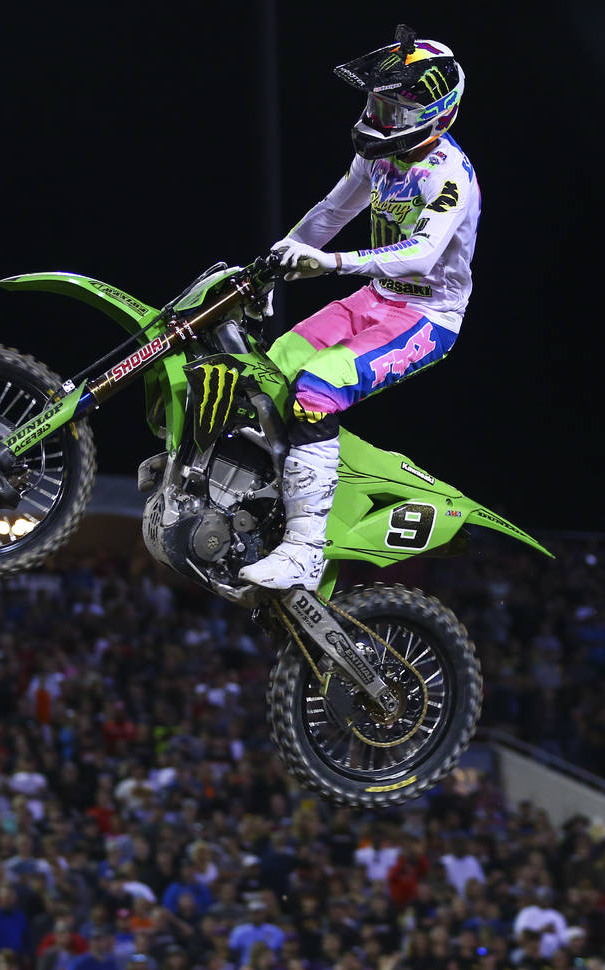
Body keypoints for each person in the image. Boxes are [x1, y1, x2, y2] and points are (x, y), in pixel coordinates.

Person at [240, 23, 479, 590]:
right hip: (375, 298)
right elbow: (328, 214)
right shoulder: (377, 159)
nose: (379, 116)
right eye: (376, 101)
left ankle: (305, 549)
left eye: (393, 107)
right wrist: (275, 264)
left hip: (426, 317)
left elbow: (421, 255)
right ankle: (267, 487)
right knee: (272, 366)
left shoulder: (447, 173)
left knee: (318, 387)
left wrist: (330, 265)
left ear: (435, 112)